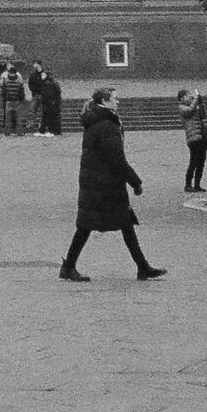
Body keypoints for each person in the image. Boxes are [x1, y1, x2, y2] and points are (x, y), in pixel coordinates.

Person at [61, 88, 166, 282]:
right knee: (87, 226)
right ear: (105, 101)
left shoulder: (97, 121)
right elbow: (117, 159)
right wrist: (135, 181)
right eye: (115, 99)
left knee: (123, 224)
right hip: (104, 185)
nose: (118, 102)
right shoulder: (107, 125)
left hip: (98, 182)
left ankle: (142, 267)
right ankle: (68, 267)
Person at [179, 88, 207, 191]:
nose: (190, 97)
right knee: (193, 161)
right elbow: (190, 111)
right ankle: (188, 185)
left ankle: (197, 184)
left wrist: (201, 104)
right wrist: (196, 100)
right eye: (187, 95)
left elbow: (203, 115)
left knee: (201, 162)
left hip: (200, 137)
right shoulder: (182, 108)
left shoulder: (194, 106)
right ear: (181, 98)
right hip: (193, 138)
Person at [0, 63, 28, 136]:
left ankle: (7, 132)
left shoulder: (6, 81)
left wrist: (5, 98)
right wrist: (21, 99)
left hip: (8, 101)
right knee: (18, 117)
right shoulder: (19, 82)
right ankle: (19, 132)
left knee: (8, 118)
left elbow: (3, 91)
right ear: (16, 73)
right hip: (17, 101)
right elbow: (21, 92)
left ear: (9, 72)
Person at [36, 67, 64, 137]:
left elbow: (49, 94)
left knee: (49, 117)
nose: (42, 76)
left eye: (43, 75)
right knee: (47, 117)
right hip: (51, 103)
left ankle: (50, 131)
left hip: (50, 103)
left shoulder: (48, 83)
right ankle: (44, 131)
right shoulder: (50, 82)